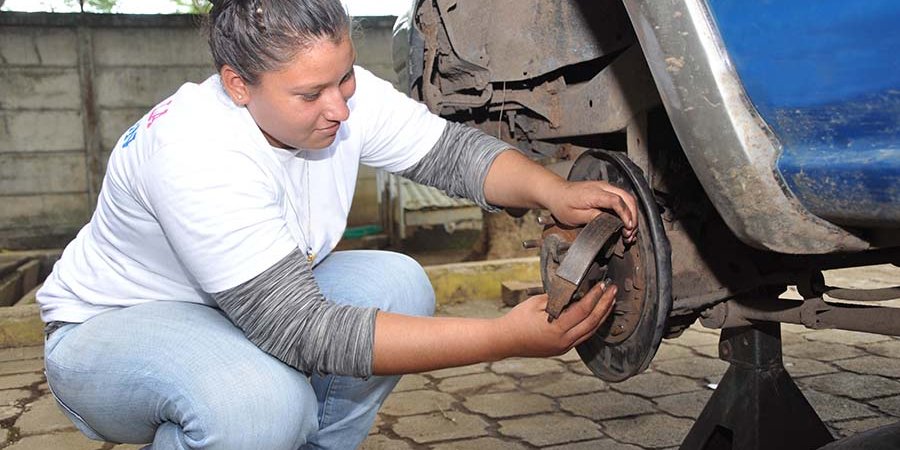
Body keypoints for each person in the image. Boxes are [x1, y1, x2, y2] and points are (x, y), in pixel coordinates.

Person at [36, 0, 638, 448]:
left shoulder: (339, 97)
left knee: (397, 283)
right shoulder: (194, 150)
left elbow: (452, 154)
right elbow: (306, 330)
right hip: (109, 331)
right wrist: (502, 339)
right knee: (259, 406)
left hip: (231, 307)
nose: (341, 108)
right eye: (311, 94)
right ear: (238, 85)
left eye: (345, 76)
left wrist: (551, 190)